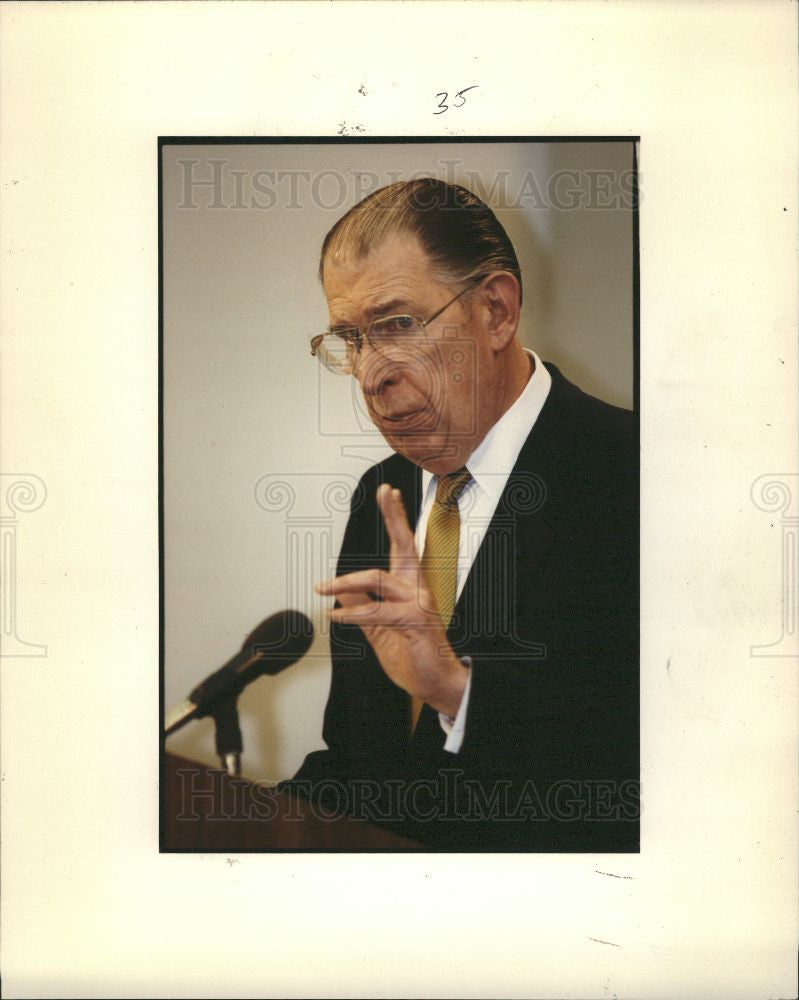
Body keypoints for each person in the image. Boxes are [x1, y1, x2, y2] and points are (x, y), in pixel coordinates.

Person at [284, 178, 639, 851]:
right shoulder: (380, 493)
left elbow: (658, 770)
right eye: (350, 339)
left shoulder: (638, 473)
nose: (370, 373)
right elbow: (365, 767)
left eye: (396, 324)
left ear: (497, 311)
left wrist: (455, 691)